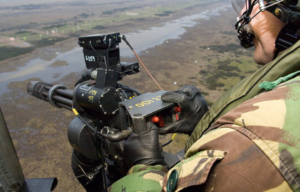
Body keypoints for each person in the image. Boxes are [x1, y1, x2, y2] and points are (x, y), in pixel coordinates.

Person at [108, 0, 300, 191]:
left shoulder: (257, 141)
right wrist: (206, 126)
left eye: (250, 2)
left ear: (283, 7)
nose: (243, 12)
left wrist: (143, 167)